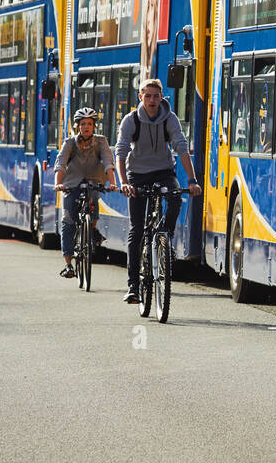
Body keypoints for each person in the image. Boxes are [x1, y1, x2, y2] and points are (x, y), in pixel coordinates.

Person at [115, 78, 201, 304]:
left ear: (161, 98)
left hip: (164, 171)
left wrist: (192, 180)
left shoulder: (169, 119)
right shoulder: (130, 120)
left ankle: (165, 237)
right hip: (137, 174)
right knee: (136, 230)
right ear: (140, 97)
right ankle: (133, 286)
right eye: (148, 96)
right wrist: (124, 182)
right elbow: (121, 152)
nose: (152, 100)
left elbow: (181, 148)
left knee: (175, 199)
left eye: (156, 96)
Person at [53, 108, 118, 278]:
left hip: (94, 181)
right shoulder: (70, 143)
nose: (86, 127)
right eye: (83, 124)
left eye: (89, 124)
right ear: (77, 126)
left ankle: (92, 230)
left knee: (93, 202)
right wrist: (58, 184)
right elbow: (60, 164)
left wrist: (113, 182)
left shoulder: (101, 142)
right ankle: (68, 265)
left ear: (94, 126)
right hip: (72, 184)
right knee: (68, 221)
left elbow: (108, 162)